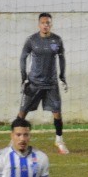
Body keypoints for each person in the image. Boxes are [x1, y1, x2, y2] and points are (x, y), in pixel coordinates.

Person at [19, 12, 70, 154]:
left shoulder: (57, 40)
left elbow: (62, 58)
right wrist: (24, 78)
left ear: (51, 24)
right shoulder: (32, 40)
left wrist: (62, 76)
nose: (45, 25)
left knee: (57, 112)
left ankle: (59, 140)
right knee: (22, 112)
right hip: (34, 83)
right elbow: (23, 58)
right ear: (39, 24)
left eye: (48, 23)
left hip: (51, 84)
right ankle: (14, 141)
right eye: (43, 23)